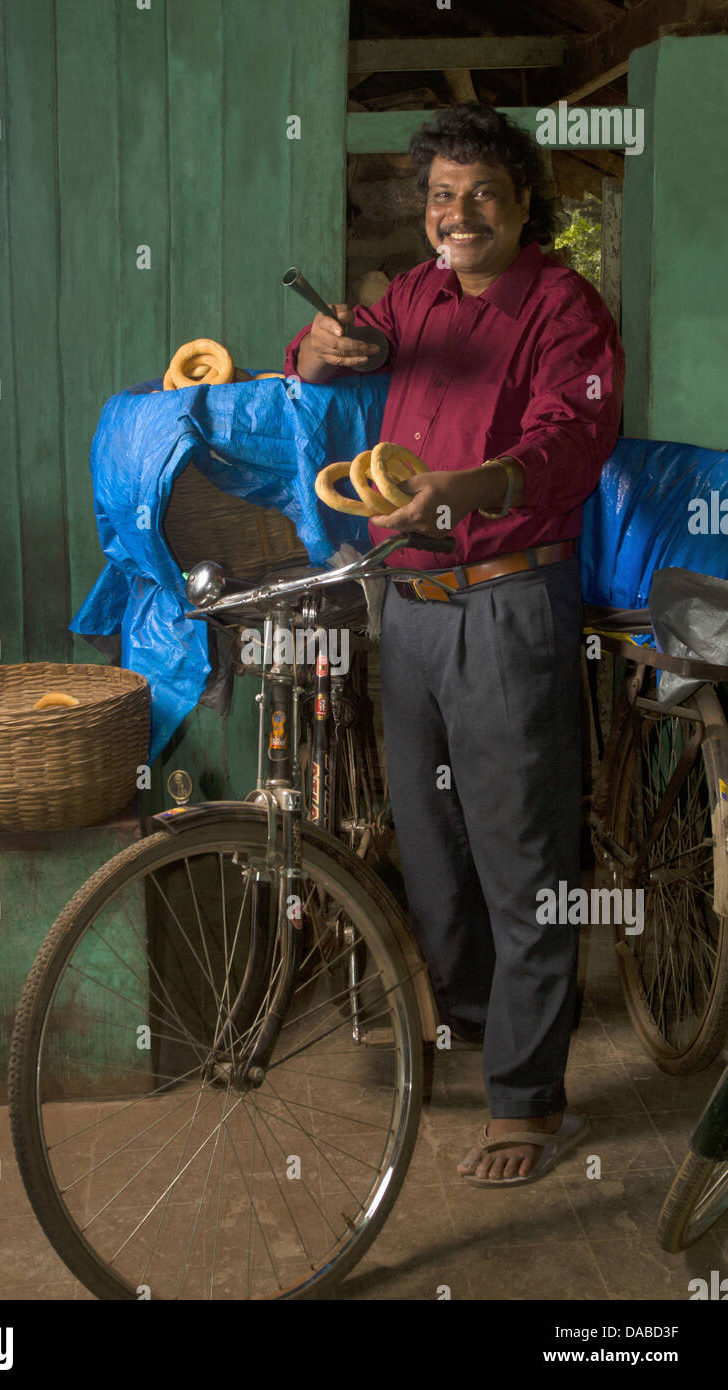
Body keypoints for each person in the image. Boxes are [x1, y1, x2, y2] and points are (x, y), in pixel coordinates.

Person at [283, 102, 625, 1188]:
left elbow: (568, 443)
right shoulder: (415, 292)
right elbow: (330, 350)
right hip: (413, 603)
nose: (457, 213)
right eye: (440, 195)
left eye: (481, 193)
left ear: (522, 202)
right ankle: (482, 1024)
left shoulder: (564, 308)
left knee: (520, 849)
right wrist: (320, 345)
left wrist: (458, 489)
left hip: (509, 598)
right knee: (429, 846)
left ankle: (530, 1101)